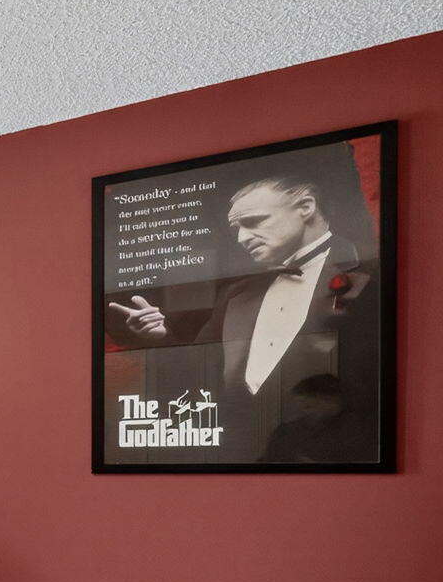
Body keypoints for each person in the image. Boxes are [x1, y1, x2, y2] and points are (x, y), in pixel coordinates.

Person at [105, 172, 381, 461]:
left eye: (253, 222)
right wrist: (161, 337)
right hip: (243, 461)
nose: (242, 238)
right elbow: (202, 373)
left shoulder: (372, 273)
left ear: (306, 207)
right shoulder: (237, 293)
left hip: (343, 462)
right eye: (236, 228)